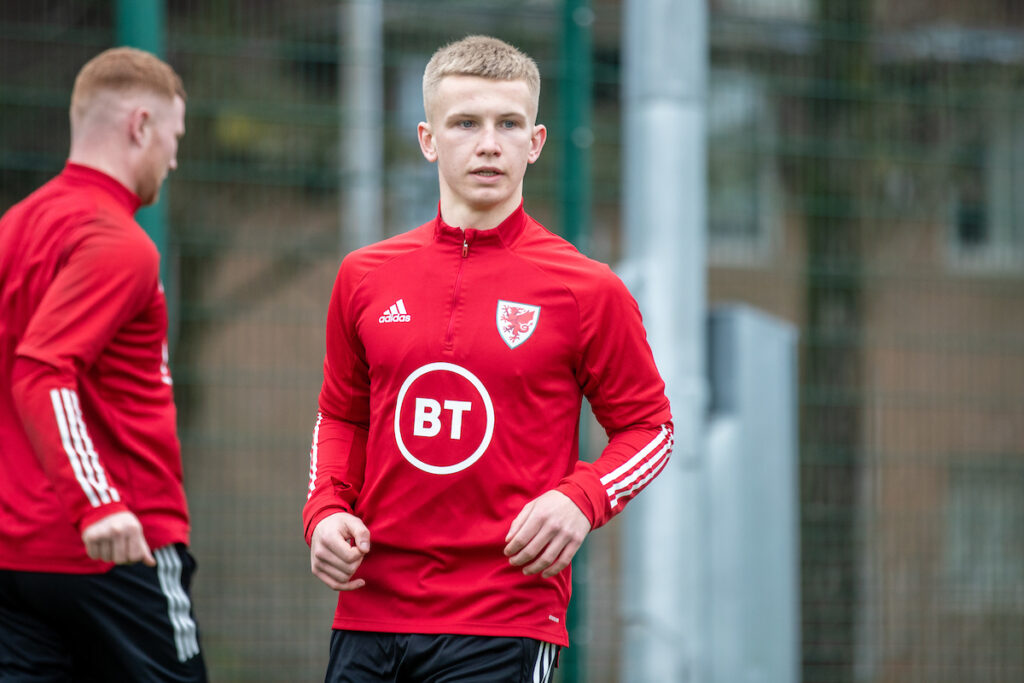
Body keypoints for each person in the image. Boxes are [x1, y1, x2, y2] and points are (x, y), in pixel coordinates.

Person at [304, 35, 673, 683]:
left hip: (503, 618)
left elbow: (651, 430)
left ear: (535, 142)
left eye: (508, 124)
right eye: (466, 123)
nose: (488, 143)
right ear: (427, 139)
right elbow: (341, 415)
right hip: (370, 612)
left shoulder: (587, 289)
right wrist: (325, 511)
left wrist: (582, 499)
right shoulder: (363, 275)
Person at [0, 47, 207, 681]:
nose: (172, 159)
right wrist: (99, 505)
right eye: (172, 139)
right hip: (116, 547)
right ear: (140, 125)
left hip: (14, 557)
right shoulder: (119, 241)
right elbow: (41, 371)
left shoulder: (13, 227)